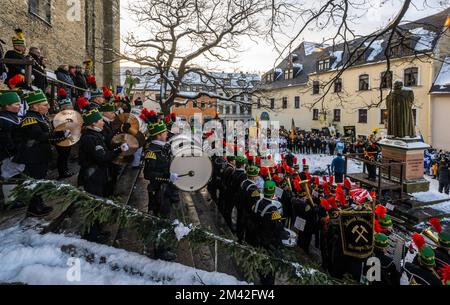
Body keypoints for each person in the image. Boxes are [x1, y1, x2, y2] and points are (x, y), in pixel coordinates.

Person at [16, 90, 70, 216]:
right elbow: (40, 136)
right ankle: (34, 208)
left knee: (39, 180)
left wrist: (61, 135)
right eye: (45, 105)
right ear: (35, 106)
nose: (48, 107)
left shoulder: (39, 117)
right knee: (36, 182)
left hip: (40, 155)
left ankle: (38, 204)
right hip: (33, 156)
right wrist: (60, 133)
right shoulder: (30, 119)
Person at [142, 112, 179, 261]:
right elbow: (148, 174)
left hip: (165, 190)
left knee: (165, 218)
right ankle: (160, 250)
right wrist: (166, 177)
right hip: (158, 191)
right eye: (164, 133)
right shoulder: (152, 151)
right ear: (158, 136)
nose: (166, 134)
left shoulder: (163, 148)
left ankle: (163, 244)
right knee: (160, 220)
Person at [252, 181, 285, 285]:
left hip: (258, 238)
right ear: (273, 192)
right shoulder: (273, 209)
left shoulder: (257, 202)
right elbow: (278, 228)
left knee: (261, 263)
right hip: (269, 243)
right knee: (270, 272)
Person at [0, 92, 24, 207]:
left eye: (19, 104)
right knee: (9, 174)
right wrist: (12, 152)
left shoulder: (13, 116)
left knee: (16, 174)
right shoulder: (3, 119)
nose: (19, 106)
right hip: (8, 153)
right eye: (16, 104)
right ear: (7, 106)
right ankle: (10, 201)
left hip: (17, 152)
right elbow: (5, 139)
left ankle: (16, 197)